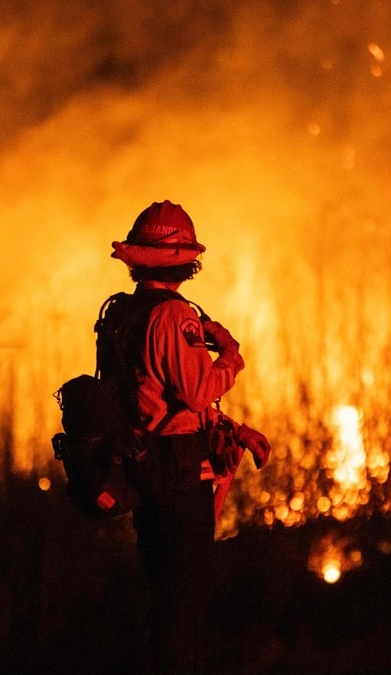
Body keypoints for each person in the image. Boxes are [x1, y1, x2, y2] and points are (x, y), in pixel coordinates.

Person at [104, 200, 271, 673]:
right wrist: (231, 355)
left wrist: (234, 431)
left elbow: (152, 396)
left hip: (146, 468)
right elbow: (197, 392)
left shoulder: (125, 314)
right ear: (185, 261)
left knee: (162, 595)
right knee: (184, 604)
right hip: (178, 475)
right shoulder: (174, 317)